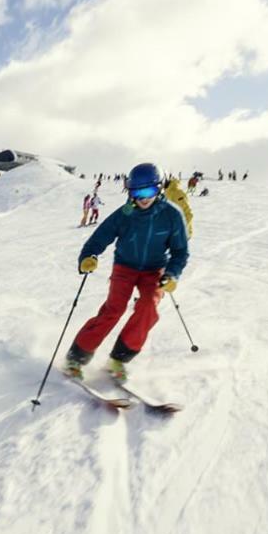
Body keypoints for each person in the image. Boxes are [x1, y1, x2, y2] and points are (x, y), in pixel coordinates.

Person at [64, 162, 189, 383]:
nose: (143, 198)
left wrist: (172, 274)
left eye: (148, 191)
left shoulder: (172, 215)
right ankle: (76, 357)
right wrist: (88, 257)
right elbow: (98, 238)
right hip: (125, 267)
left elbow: (180, 251)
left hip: (155, 270)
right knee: (114, 309)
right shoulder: (124, 214)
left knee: (148, 308)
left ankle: (118, 360)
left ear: (159, 188)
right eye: (137, 192)